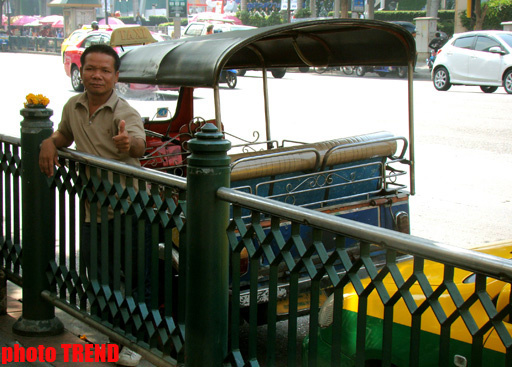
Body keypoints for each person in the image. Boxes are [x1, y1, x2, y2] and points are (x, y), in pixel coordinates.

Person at [38, 44, 146, 367]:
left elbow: (138, 144)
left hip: (129, 209)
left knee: (135, 280)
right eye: (90, 69)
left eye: (104, 71)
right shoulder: (74, 106)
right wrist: (48, 142)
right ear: (80, 71)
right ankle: (114, 336)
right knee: (100, 278)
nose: (96, 76)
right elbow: (64, 135)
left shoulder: (125, 113)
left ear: (116, 77)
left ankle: (134, 341)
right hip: (93, 209)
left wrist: (129, 144)